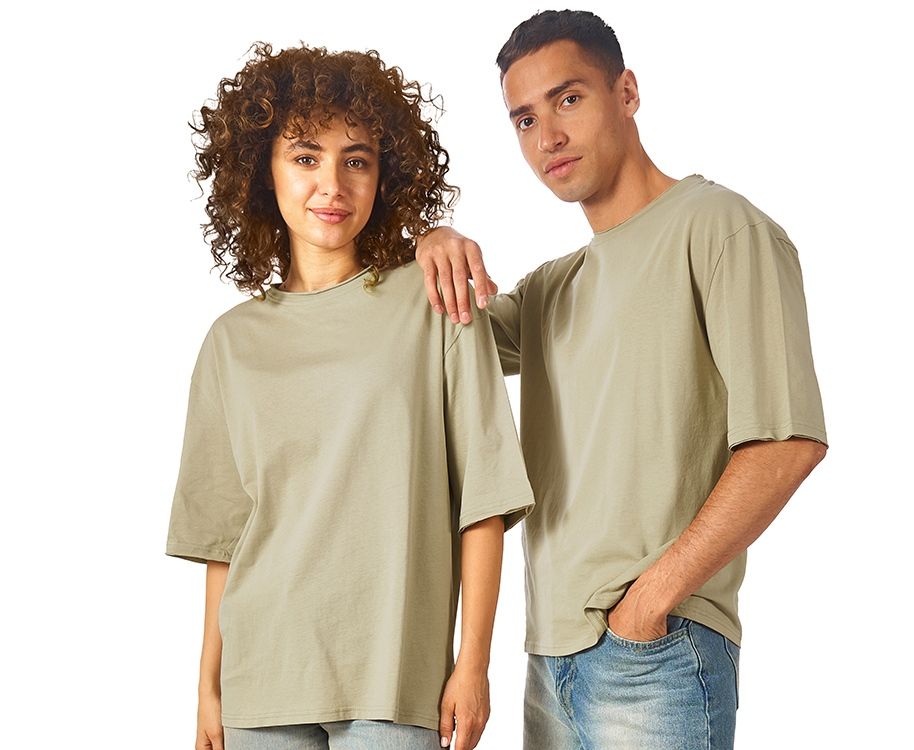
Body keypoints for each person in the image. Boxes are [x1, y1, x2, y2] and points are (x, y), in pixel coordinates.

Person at [414, 9, 829, 749]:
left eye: (568, 99)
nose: (548, 137)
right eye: (524, 120)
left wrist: (651, 601)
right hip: (550, 657)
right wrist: (432, 238)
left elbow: (786, 441)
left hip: (655, 654)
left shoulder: (720, 226)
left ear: (627, 92)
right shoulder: (552, 287)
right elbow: (435, 337)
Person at [164, 42, 535, 750]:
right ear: (263, 170)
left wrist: (473, 664)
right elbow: (225, 535)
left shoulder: (436, 299)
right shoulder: (230, 342)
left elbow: (483, 500)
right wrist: (208, 686)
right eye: (306, 157)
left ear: (384, 174)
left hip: (392, 678)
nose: (331, 184)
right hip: (260, 681)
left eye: (356, 160)